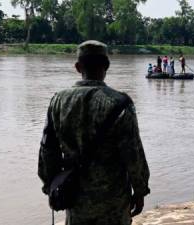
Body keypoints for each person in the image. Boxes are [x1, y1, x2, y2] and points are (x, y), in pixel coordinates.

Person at [38, 40, 150, 225]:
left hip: (75, 197)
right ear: (106, 66)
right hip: (113, 201)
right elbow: (133, 154)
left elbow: (47, 150)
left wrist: (51, 185)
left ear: (77, 67)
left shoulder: (58, 101)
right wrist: (140, 191)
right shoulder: (120, 103)